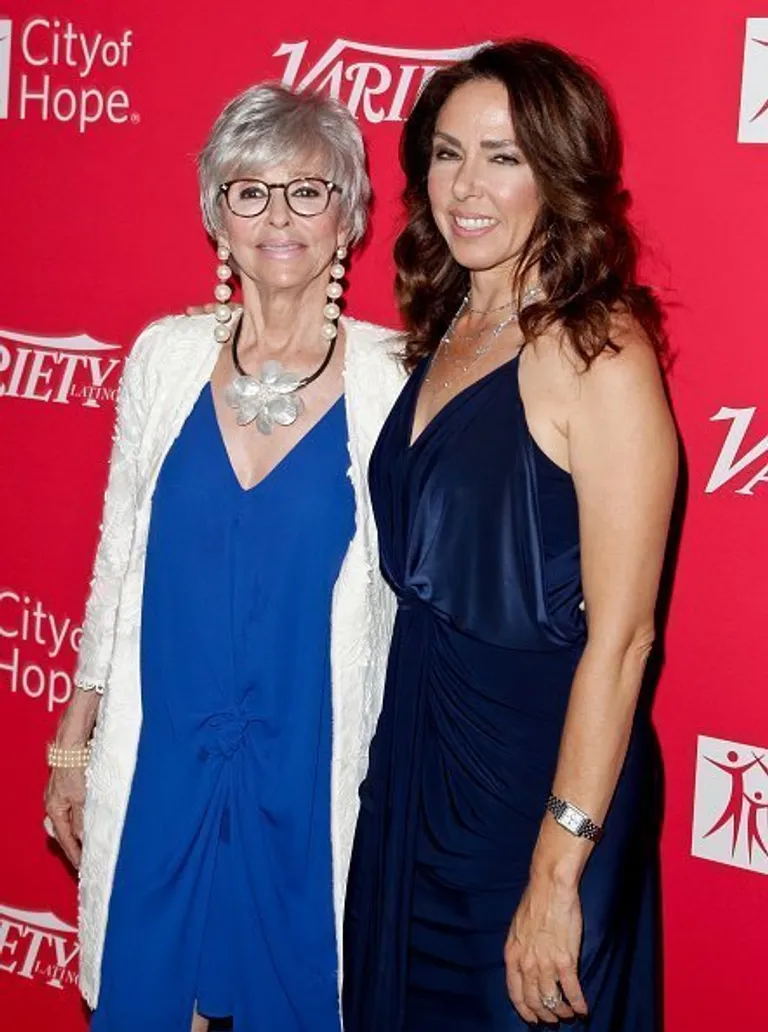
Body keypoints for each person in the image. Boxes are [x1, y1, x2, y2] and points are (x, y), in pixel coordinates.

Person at [43, 83, 404, 1032]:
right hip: (165, 753)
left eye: (307, 190)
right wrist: (75, 741)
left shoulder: (393, 376)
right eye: (248, 191)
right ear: (217, 215)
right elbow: (117, 557)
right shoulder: (163, 358)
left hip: (305, 760)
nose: (276, 216)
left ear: (348, 215)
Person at [343, 40, 677, 1031]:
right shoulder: (449, 324)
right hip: (416, 762)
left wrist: (556, 867)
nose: (466, 186)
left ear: (558, 170)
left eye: (502, 155)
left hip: (534, 790)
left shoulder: (599, 355)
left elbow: (622, 644)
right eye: (447, 154)